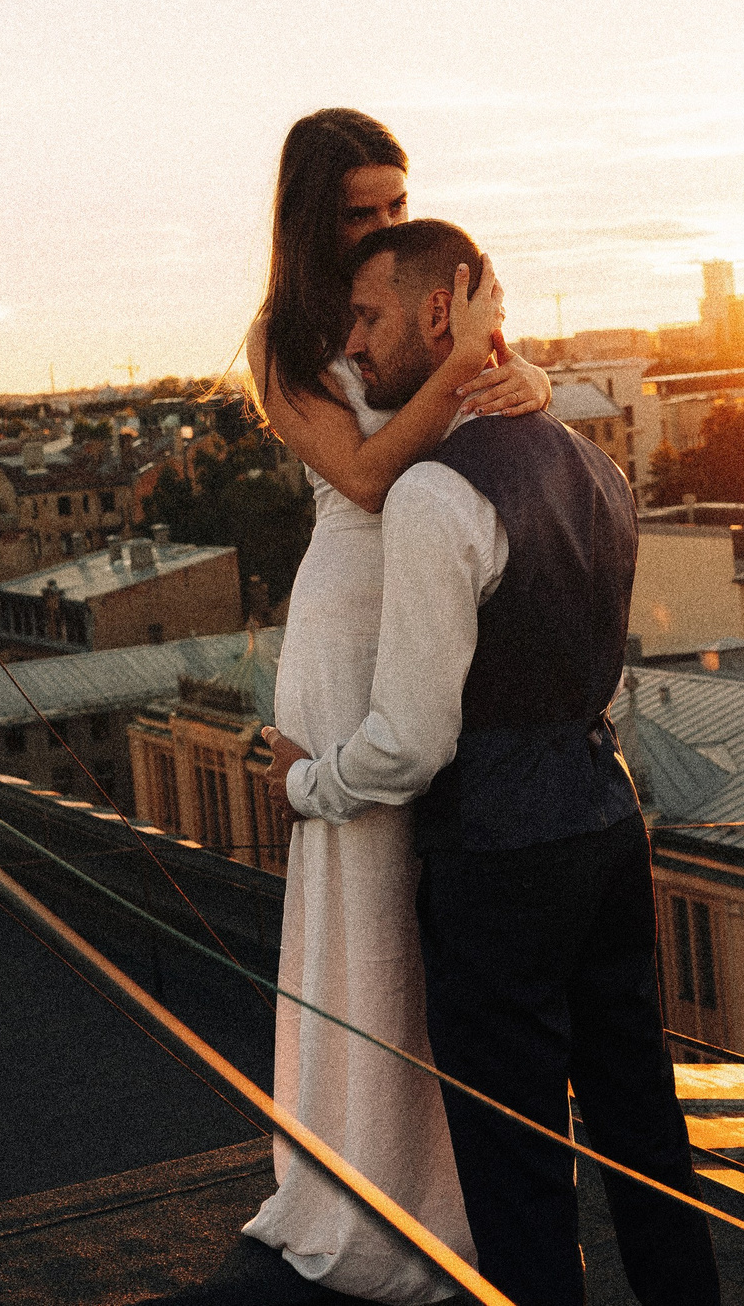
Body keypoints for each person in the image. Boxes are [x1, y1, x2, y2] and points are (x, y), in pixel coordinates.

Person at [267, 220, 721, 1306]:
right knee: (641, 1122)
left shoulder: (432, 495)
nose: (354, 351)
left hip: (498, 856)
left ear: (440, 317)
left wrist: (302, 781)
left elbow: (413, 742)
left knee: (517, 1167)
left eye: (369, 320)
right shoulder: (595, 467)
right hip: (607, 826)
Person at [236, 112, 552, 1304]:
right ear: (310, 216)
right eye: (358, 211)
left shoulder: (428, 297)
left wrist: (516, 369)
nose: (382, 226)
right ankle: (363, 1199)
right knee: (364, 919)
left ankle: (448, 1191)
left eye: (392, 203)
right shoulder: (283, 339)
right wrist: (470, 363)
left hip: (438, 626)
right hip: (343, 636)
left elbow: (515, 410)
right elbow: (366, 474)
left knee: (442, 924)